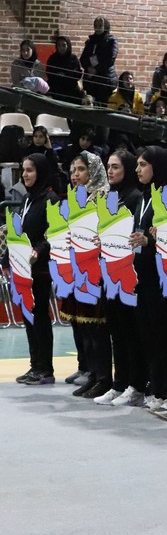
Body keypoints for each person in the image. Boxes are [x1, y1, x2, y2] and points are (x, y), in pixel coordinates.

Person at [128, 146, 167, 414]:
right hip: (143, 275)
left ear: (158, 166)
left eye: (143, 164)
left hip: (163, 277)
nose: (138, 169)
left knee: (166, 336)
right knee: (149, 335)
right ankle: (158, 389)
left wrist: (150, 241)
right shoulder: (144, 197)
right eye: (137, 165)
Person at [92, 151, 145, 407]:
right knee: (117, 332)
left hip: (128, 274)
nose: (110, 171)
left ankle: (136, 384)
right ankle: (119, 383)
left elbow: (134, 237)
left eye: (116, 167)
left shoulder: (135, 197)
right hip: (109, 271)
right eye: (108, 167)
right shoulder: (110, 197)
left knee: (130, 332)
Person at [63, 151, 113, 399]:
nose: (75, 175)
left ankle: (105, 378)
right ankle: (93, 374)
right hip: (79, 270)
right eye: (73, 170)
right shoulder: (77, 198)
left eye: (81, 170)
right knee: (85, 329)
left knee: (98, 329)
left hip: (98, 272)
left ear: (93, 171)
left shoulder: (104, 198)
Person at [12, 154, 59, 385]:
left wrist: (38, 251)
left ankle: (45, 369)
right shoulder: (28, 198)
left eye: (29, 170)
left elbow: (54, 233)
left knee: (39, 315)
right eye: (23, 170)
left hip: (40, 268)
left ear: (40, 171)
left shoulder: (50, 198)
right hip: (23, 268)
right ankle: (35, 365)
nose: (25, 175)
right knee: (28, 316)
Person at [79, 17, 118, 106]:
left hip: (105, 80)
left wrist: (96, 70)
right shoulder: (90, 41)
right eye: (95, 26)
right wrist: (88, 68)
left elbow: (110, 59)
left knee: (103, 106)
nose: (98, 28)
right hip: (91, 80)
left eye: (100, 25)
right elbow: (83, 58)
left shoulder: (111, 41)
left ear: (106, 26)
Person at [46, 35, 84, 103]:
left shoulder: (73, 59)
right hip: (56, 88)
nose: (61, 48)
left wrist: (66, 74)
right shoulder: (53, 58)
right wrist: (57, 75)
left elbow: (77, 74)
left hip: (70, 88)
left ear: (68, 46)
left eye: (64, 45)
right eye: (59, 45)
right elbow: (49, 72)